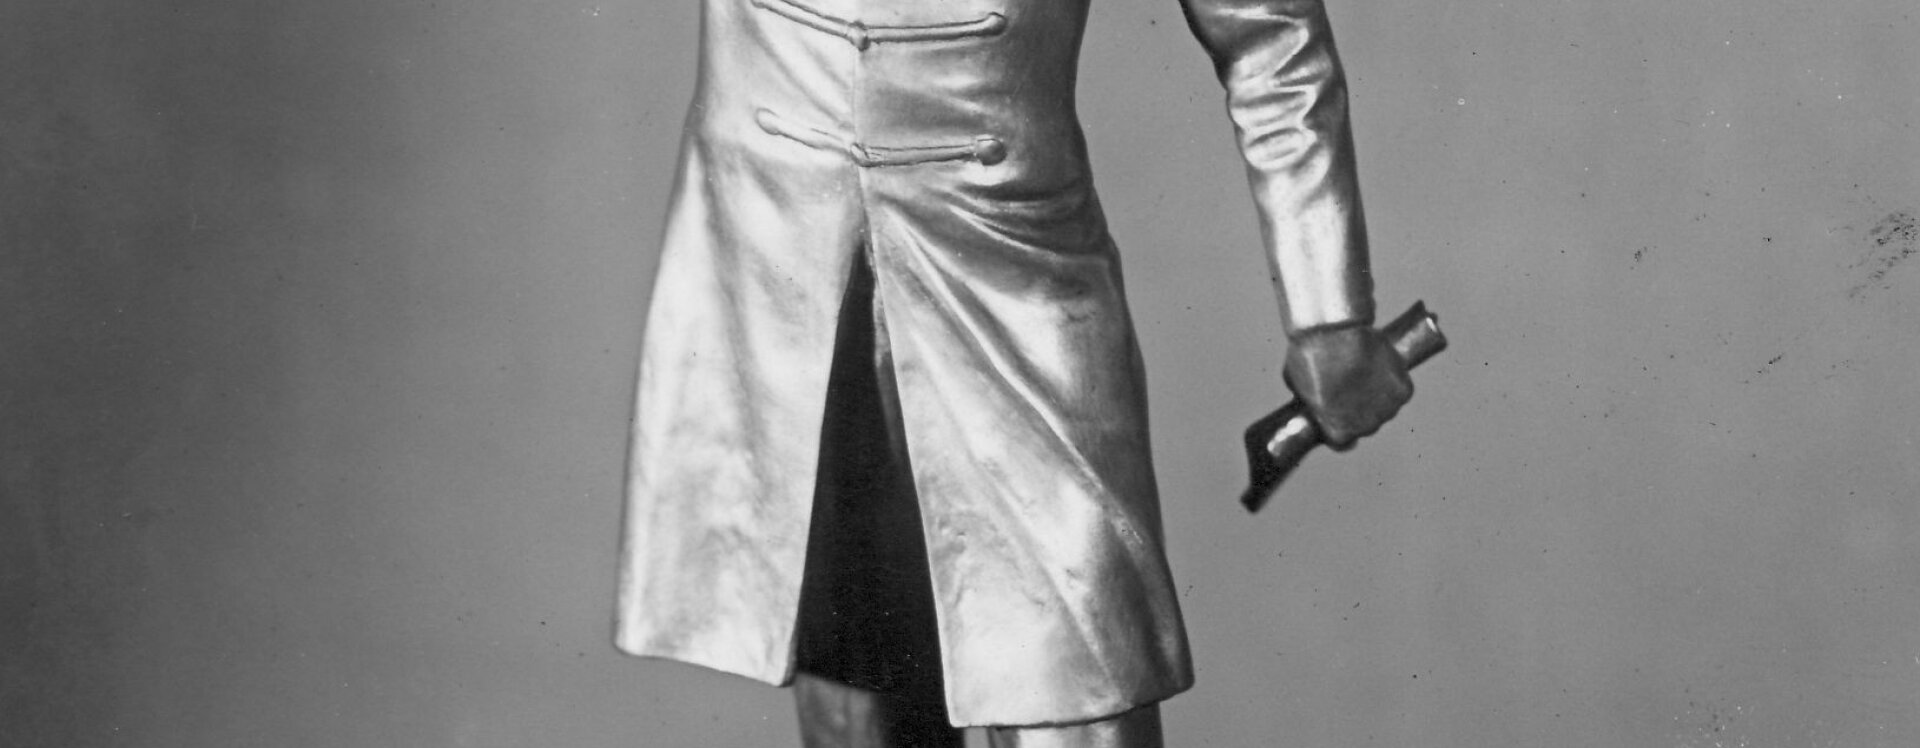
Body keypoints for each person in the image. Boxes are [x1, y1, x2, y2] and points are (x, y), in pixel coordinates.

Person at [614, 0, 1412, 745]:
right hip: (774, 268)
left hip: (1009, 271)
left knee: (1078, 679)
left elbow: (1270, 38)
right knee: (849, 664)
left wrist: (1328, 310)